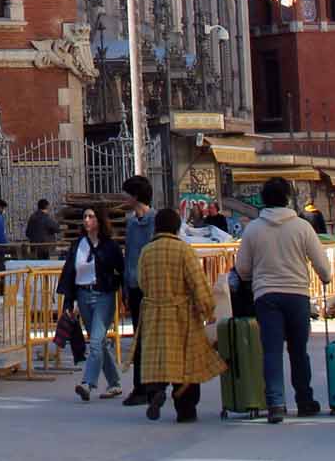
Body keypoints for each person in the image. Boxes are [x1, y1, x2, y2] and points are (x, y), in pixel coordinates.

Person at [235, 175, 330, 424]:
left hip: (266, 296)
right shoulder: (302, 227)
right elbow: (324, 268)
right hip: (297, 294)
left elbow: (243, 269)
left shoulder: (253, 229)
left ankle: (276, 403)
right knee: (299, 351)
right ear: (288, 198)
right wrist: (324, 277)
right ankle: (305, 400)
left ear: (263, 199)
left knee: (272, 351)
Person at [131, 207, 225, 422]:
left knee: (159, 360)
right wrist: (208, 309)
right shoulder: (183, 250)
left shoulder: (147, 251)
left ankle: (156, 391)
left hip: (154, 313)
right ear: (176, 227)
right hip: (182, 315)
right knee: (186, 364)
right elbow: (197, 283)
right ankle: (185, 409)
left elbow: (141, 281)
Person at [57, 205, 127, 401]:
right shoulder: (78, 245)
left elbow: (121, 271)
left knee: (95, 341)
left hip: (103, 295)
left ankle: (88, 383)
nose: (86, 220)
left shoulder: (110, 246)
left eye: (91, 216)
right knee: (100, 343)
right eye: (84, 216)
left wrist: (125, 296)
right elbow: (70, 274)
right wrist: (68, 302)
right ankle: (115, 383)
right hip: (83, 295)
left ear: (100, 220)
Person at [118, 175, 158, 405]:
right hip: (134, 287)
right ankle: (141, 387)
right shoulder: (131, 223)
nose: (123, 197)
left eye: (126, 193)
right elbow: (130, 255)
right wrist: (125, 285)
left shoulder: (155, 221)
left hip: (151, 287)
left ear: (135, 196)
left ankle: (154, 386)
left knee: (152, 338)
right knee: (138, 338)